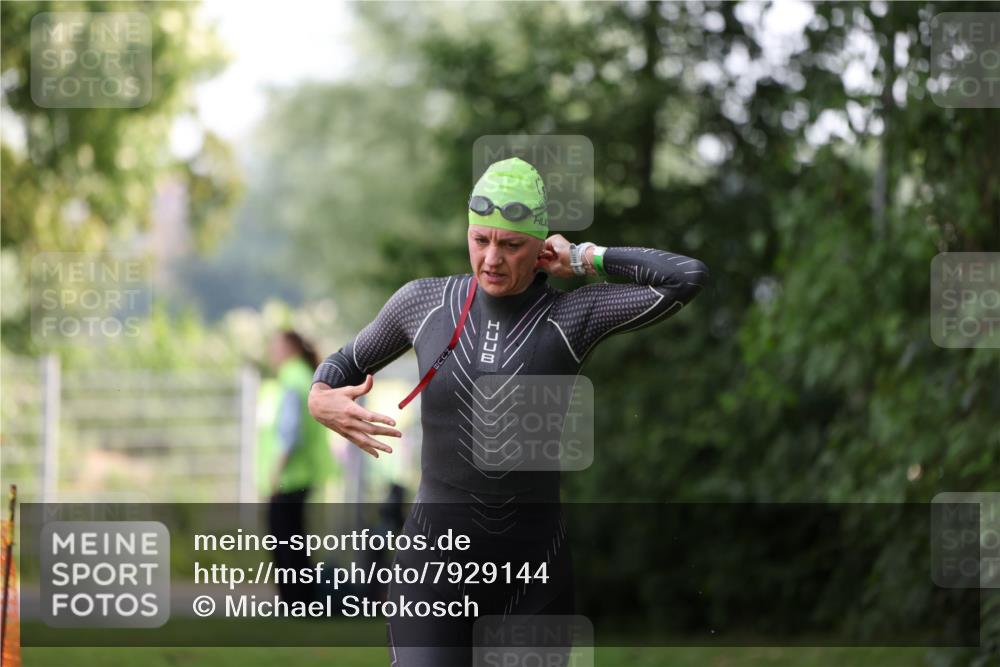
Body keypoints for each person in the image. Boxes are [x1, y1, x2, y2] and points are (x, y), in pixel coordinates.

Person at [308, 157, 709, 665]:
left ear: (541, 247)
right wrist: (319, 396)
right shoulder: (425, 304)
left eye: (512, 245)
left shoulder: (570, 316)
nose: (492, 258)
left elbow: (686, 278)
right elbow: (343, 362)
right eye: (481, 240)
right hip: (433, 570)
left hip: (533, 579)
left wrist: (584, 258)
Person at [266, 329, 335, 605]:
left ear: (290, 349)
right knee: (294, 539)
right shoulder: (302, 376)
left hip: (289, 475)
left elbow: (289, 431)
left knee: (286, 541)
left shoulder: (292, 378)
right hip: (300, 474)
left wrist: (275, 472)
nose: (271, 352)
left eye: (275, 346)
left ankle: (296, 602)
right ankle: (300, 601)